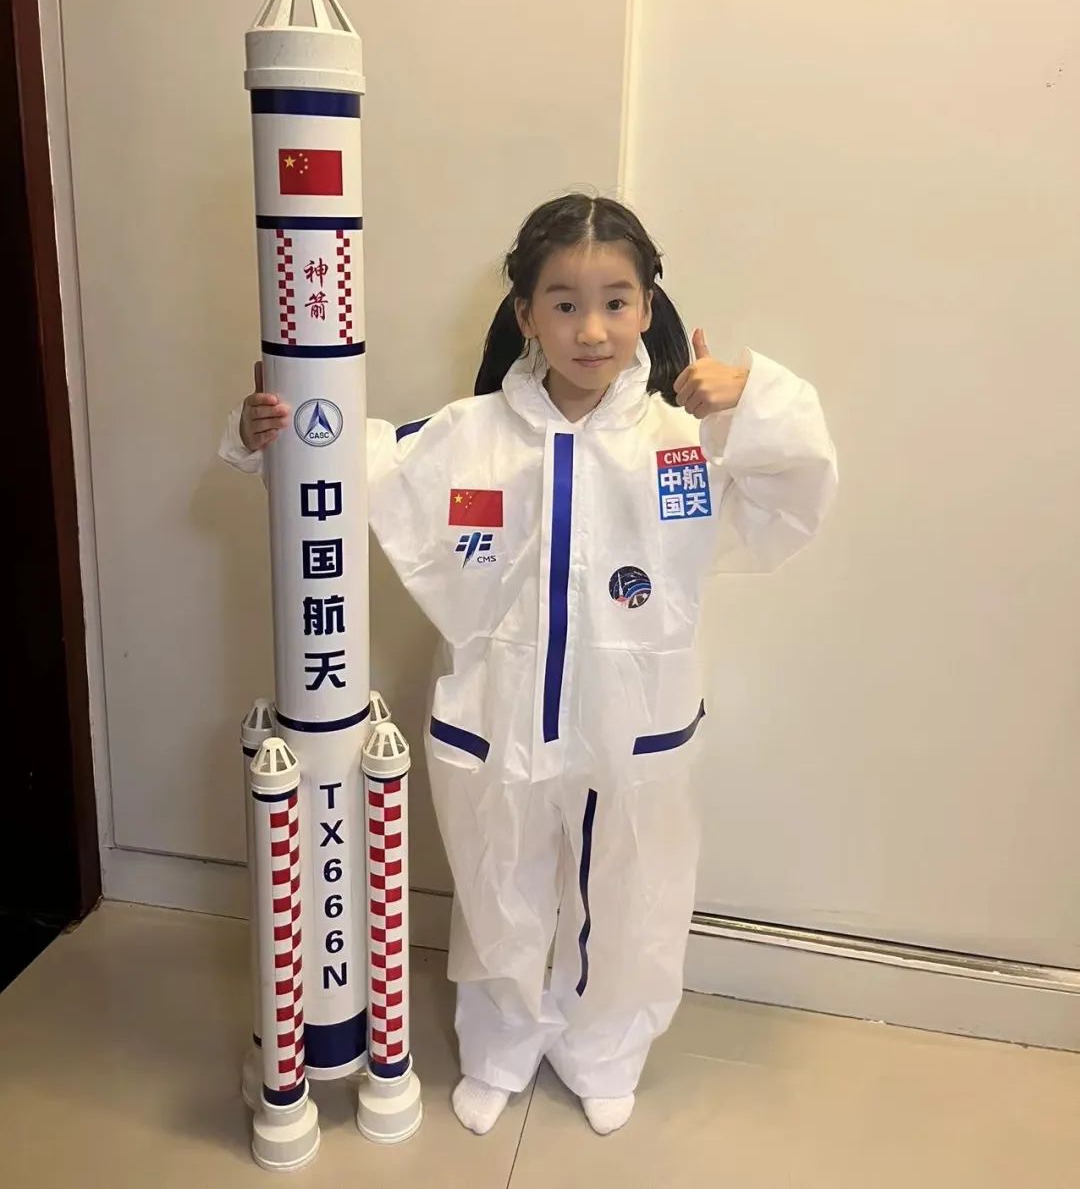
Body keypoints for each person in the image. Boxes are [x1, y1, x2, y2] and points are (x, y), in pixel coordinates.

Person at [220, 192, 837, 1136]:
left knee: (632, 891)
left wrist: (753, 398)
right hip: (497, 716)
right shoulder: (467, 436)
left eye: (616, 302)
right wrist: (265, 428)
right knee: (496, 885)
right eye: (565, 303)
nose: (592, 329)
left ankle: (605, 1048)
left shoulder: (682, 443)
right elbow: (341, 460)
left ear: (648, 307)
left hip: (639, 722)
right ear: (525, 314)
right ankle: (501, 1044)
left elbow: (798, 491)